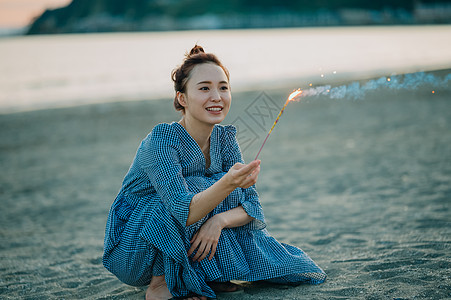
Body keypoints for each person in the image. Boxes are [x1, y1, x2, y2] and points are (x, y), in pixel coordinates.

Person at [103, 45, 326, 300]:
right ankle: (160, 284)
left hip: (188, 230)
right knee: (203, 186)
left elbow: (252, 206)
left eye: (223, 87)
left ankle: (204, 274)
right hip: (134, 247)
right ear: (182, 99)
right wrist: (228, 183)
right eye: (204, 88)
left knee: (293, 266)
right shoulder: (161, 140)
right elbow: (182, 211)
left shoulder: (225, 139)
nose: (217, 96)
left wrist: (217, 222)